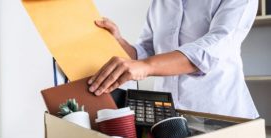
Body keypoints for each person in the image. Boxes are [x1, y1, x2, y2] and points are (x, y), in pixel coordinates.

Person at [88, 0, 259, 119]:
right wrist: (118, 41)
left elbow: (210, 50)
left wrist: (146, 66)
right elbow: (146, 51)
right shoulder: (160, 3)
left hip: (221, 114)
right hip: (169, 116)